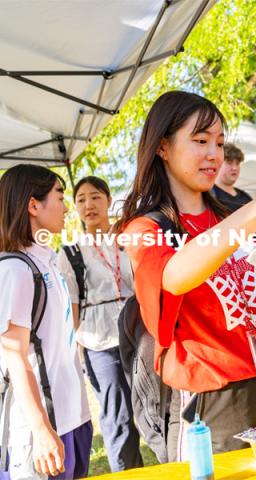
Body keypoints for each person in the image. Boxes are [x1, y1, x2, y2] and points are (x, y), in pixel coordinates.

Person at [115, 90, 256, 461]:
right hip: (219, 404)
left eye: (220, 142)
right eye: (200, 141)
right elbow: (174, 276)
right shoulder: (147, 228)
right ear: (163, 147)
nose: (214, 154)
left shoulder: (237, 217)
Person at [0, 165, 91, 480]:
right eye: (60, 196)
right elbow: (15, 356)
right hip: (42, 429)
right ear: (33, 205)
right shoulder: (15, 269)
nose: (67, 207)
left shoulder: (49, 260)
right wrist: (40, 428)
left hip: (74, 417)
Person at [57, 177, 143, 472]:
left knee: (156, 409)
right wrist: (77, 354)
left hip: (139, 335)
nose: (88, 205)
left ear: (108, 200)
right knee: (118, 417)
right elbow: (72, 310)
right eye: (80, 199)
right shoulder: (70, 253)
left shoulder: (127, 241)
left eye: (95, 197)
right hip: (100, 344)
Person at [212, 143, 252, 211]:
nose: (234, 168)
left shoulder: (246, 197)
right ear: (217, 164)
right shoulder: (209, 195)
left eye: (237, 164)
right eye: (229, 163)